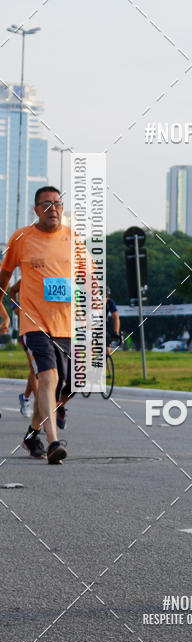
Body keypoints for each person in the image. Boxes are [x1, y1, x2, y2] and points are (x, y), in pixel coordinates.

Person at [0, 186, 71, 463]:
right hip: (34, 324)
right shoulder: (21, 238)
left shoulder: (73, 239)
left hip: (65, 325)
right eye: (46, 204)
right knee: (48, 378)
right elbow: (4, 279)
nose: (53, 209)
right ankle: (54, 443)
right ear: (36, 209)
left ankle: (32, 435)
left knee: (66, 387)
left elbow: (88, 280)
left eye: (57, 203)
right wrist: (4, 313)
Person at [8, 279, 37, 418]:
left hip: (50, 329)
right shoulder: (28, 276)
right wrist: (15, 308)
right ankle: (43, 407)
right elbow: (12, 290)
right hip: (28, 329)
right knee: (35, 369)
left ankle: (25, 397)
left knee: (41, 370)